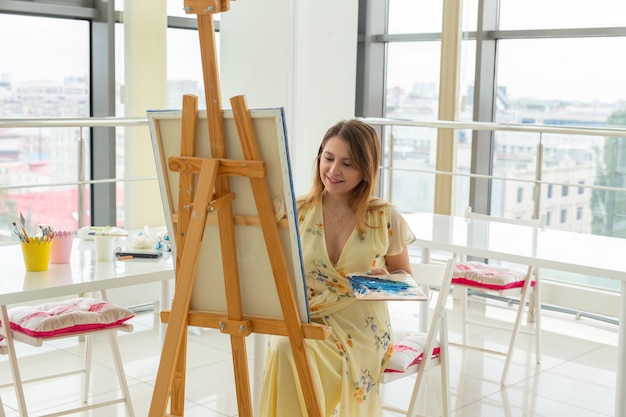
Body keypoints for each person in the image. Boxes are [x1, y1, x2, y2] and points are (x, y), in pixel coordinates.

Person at [258, 119, 416, 417]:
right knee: (284, 348)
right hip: (308, 318)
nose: (333, 171)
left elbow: (406, 280)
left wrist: (388, 280)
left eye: (347, 163)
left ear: (366, 169)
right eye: (328, 159)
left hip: (362, 327)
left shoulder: (384, 216)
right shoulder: (296, 210)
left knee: (296, 355)